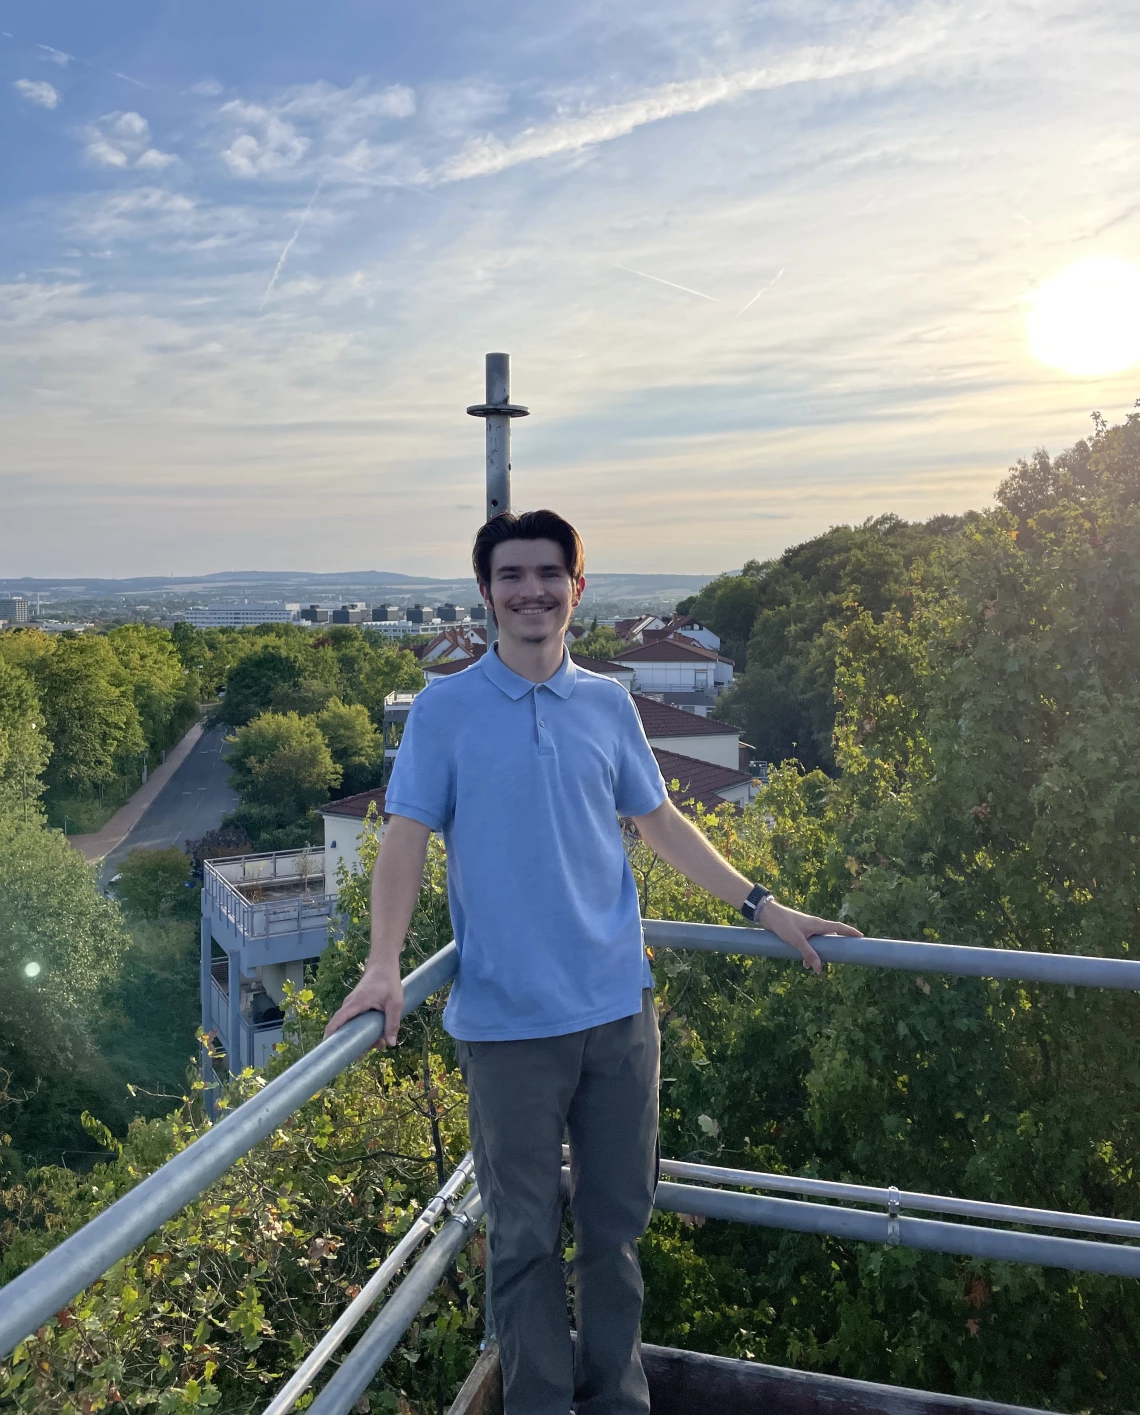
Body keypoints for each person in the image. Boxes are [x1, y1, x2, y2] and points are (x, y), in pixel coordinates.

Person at [325, 508, 861, 1415]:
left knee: (615, 1233)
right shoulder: (445, 710)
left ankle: (617, 1401)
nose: (530, 592)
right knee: (524, 1239)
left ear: (578, 587)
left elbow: (661, 823)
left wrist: (762, 907)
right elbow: (404, 839)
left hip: (620, 1014)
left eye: (548, 575)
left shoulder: (608, 704)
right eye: (511, 576)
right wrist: (383, 965)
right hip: (507, 1026)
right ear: (487, 592)